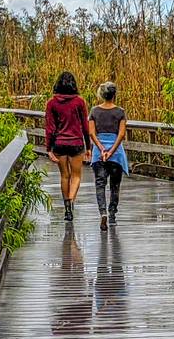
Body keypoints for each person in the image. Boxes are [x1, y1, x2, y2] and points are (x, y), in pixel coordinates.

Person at [43, 71, 90, 221]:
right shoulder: (79, 102)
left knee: (64, 176)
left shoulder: (52, 103)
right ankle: (71, 202)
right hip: (76, 143)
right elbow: (85, 125)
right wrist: (88, 146)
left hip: (60, 144)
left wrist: (48, 148)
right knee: (76, 176)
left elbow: (50, 128)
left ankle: (67, 207)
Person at [88, 81, 130, 230]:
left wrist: (101, 149)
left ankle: (102, 213)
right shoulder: (120, 112)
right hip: (116, 153)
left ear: (102, 94)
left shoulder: (94, 111)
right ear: (114, 95)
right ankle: (112, 214)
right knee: (115, 185)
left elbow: (91, 133)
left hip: (99, 154)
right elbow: (122, 133)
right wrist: (112, 151)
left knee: (100, 184)